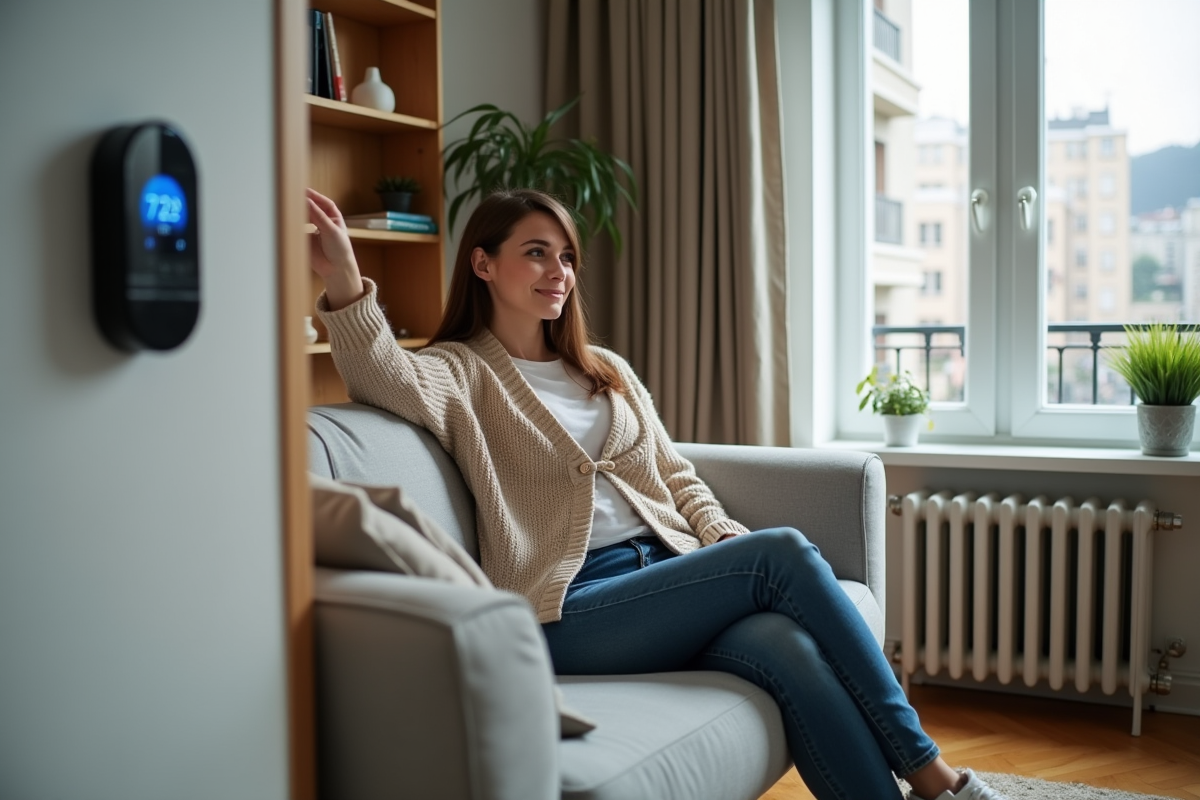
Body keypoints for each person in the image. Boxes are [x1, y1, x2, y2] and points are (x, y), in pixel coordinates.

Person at [306, 186, 1007, 800]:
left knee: (785, 645)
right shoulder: (458, 372)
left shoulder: (603, 369)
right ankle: (934, 776)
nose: (560, 273)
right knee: (783, 552)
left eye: (568, 257)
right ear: (483, 263)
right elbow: (380, 375)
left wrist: (721, 537)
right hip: (569, 608)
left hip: (662, 577)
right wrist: (344, 276)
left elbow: (675, 476)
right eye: (537, 253)